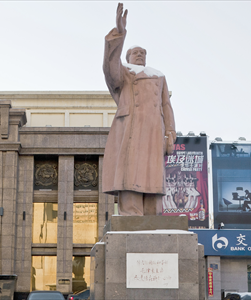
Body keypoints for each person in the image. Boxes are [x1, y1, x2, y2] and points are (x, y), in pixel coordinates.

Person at [102, 3, 176, 216]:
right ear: (127, 57)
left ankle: (153, 215)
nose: (140, 54)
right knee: (131, 173)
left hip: (154, 130)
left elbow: (166, 105)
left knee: (152, 175)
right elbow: (110, 68)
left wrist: (170, 131)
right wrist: (120, 33)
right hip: (131, 129)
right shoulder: (124, 72)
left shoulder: (158, 76)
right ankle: (131, 215)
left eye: (143, 52)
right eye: (135, 52)